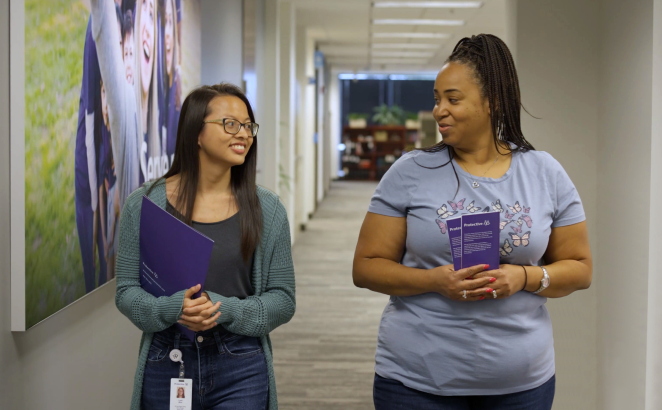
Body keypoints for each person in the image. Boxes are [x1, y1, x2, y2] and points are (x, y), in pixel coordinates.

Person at [353, 34, 592, 410]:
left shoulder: (545, 172)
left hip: (522, 384)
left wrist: (525, 278)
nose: (438, 110)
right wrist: (435, 281)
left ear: (492, 103)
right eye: (436, 99)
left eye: (453, 99)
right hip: (417, 382)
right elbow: (365, 268)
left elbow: (580, 269)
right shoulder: (410, 172)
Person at [115, 83, 296, 410]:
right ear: (196, 132)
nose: (243, 134)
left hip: (239, 360)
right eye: (230, 124)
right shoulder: (144, 204)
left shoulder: (267, 209)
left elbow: (282, 299)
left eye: (248, 126)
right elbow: (126, 291)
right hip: (166, 358)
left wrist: (224, 308)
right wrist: (171, 309)